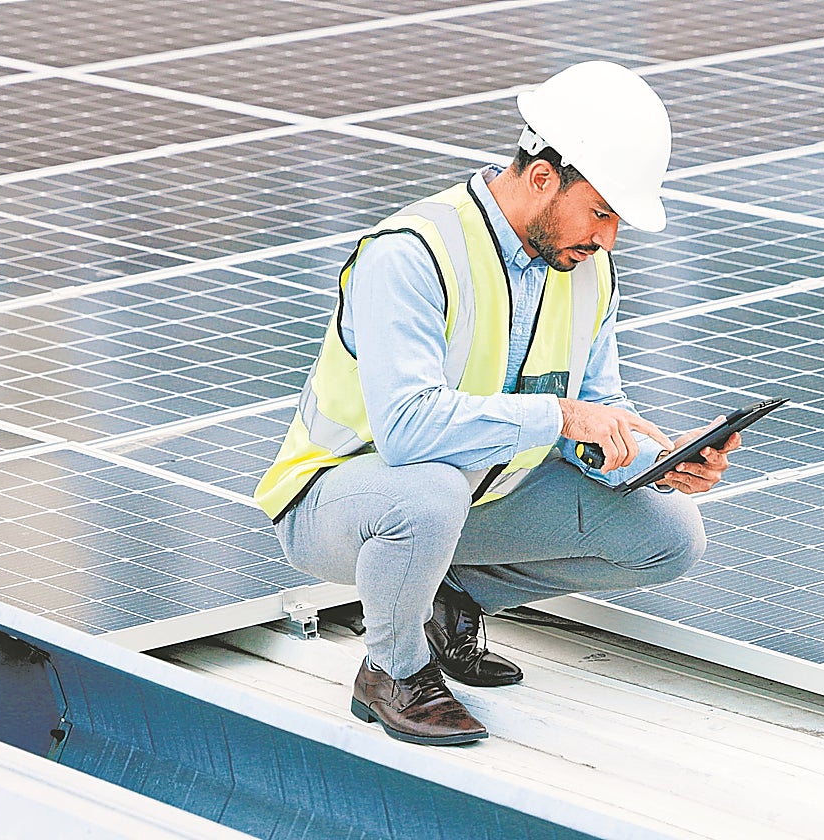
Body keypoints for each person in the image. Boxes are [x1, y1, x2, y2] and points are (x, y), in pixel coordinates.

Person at [255, 61, 740, 746]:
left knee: (669, 534)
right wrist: (560, 416)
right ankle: (393, 671)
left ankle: (447, 600)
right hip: (338, 502)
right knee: (428, 493)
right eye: (601, 212)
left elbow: (596, 409)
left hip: (478, 495)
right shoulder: (412, 253)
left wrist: (657, 458)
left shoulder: (586, 270)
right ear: (543, 177)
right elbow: (406, 432)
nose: (608, 239)